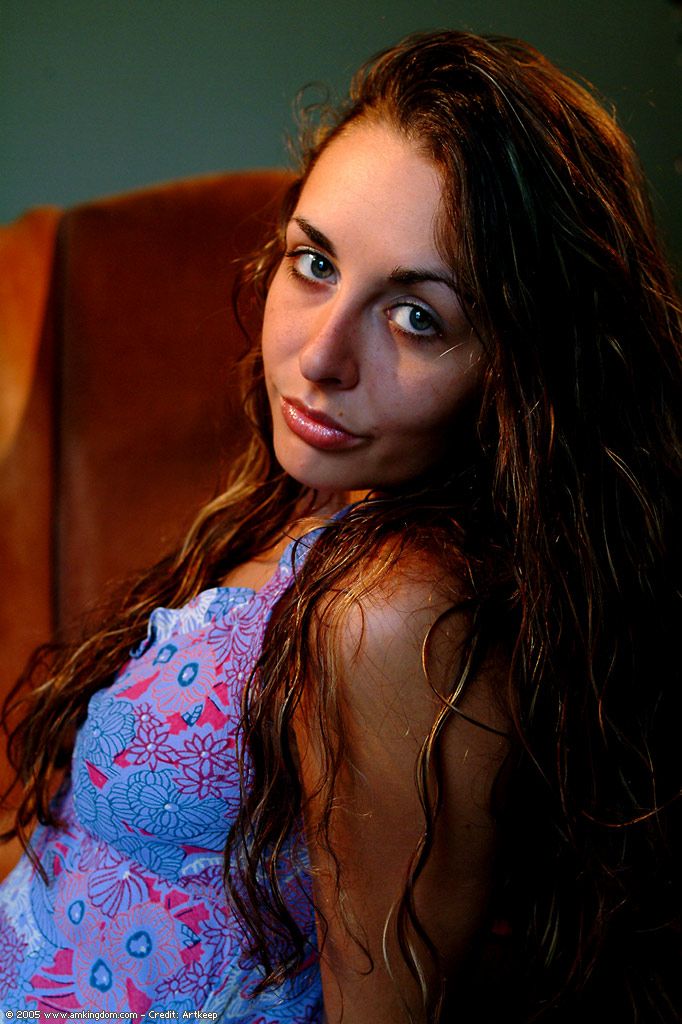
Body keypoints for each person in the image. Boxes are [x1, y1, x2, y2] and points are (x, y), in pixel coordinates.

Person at [1, 28, 680, 1024]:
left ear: (520, 367)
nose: (321, 355)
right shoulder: (325, 500)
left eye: (417, 317)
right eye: (314, 262)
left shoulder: (393, 613)